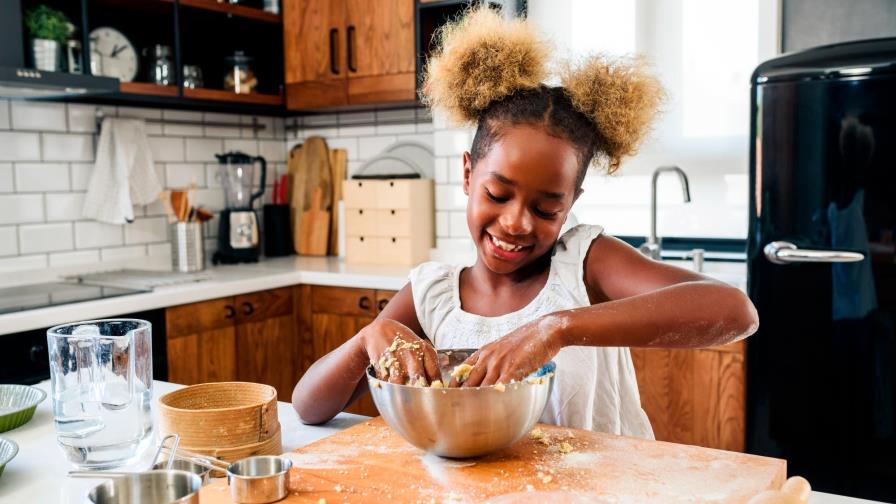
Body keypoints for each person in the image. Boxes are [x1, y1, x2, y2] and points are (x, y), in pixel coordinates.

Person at [292, 8, 758, 438]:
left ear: (571, 203)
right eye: (498, 195)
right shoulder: (432, 294)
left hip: (605, 484)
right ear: (468, 174)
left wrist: (555, 328)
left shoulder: (584, 265)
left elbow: (736, 312)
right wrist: (366, 340)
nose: (516, 223)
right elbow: (308, 406)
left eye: (546, 209)